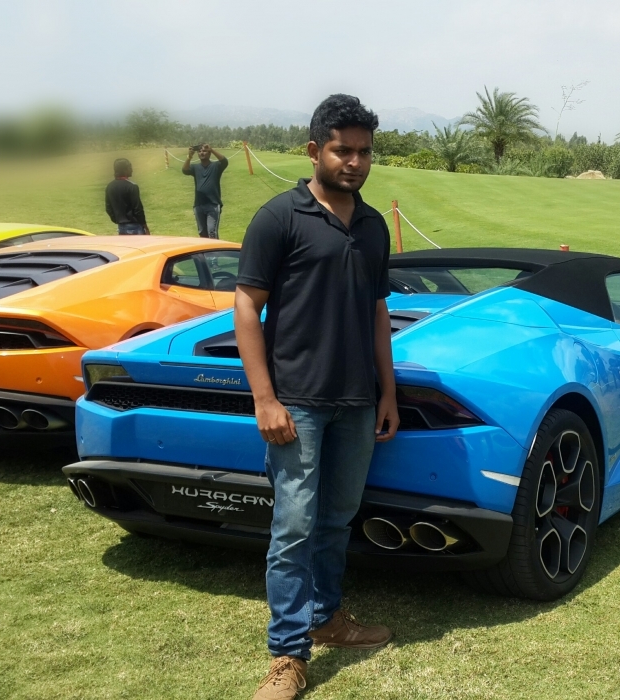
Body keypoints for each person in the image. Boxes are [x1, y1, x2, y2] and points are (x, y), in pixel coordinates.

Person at [234, 94, 398, 700]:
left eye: (364, 152)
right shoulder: (280, 217)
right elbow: (246, 307)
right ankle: (287, 654)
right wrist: (264, 398)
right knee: (295, 527)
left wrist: (387, 392)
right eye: (342, 150)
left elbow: (378, 312)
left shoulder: (373, 225)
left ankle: (327, 618)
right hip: (296, 402)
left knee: (335, 519)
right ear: (314, 150)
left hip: (357, 402)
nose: (354, 162)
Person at [182, 143, 229, 239]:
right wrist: (189, 157)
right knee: (202, 233)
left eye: (204, 151)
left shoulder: (216, 166)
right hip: (199, 204)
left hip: (213, 204)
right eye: (199, 151)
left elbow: (224, 161)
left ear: (209, 153)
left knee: (212, 232)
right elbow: (185, 170)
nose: (201, 153)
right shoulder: (195, 167)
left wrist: (212, 149)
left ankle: (215, 249)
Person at [104, 158, 149, 235]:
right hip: (135, 227)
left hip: (121, 227)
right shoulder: (132, 186)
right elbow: (138, 209)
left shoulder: (109, 186)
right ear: (124, 170)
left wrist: (117, 220)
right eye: (130, 167)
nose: (132, 170)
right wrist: (145, 226)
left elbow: (108, 208)